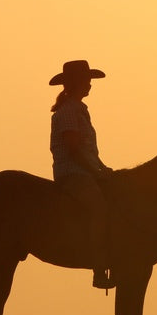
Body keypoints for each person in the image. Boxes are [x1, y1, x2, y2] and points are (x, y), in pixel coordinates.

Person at [49, 59, 115, 289]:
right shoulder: (68, 111)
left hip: (84, 171)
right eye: (87, 80)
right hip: (73, 174)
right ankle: (98, 267)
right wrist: (96, 171)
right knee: (99, 207)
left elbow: (85, 152)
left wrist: (102, 169)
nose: (90, 84)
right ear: (77, 82)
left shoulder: (76, 109)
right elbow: (75, 150)